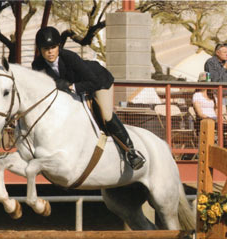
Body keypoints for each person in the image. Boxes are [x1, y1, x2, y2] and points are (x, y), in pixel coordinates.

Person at [31, 26, 145, 170]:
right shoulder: (37, 65)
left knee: (106, 115)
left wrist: (72, 87)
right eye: (45, 48)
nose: (50, 51)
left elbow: (93, 82)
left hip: (98, 81)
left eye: (53, 47)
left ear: (58, 46)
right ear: (40, 50)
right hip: (71, 91)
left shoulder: (69, 57)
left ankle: (131, 152)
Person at [193, 72, 227, 146]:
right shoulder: (196, 95)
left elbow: (217, 110)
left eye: (207, 82)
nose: (205, 84)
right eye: (203, 82)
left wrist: (221, 118)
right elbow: (200, 114)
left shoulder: (212, 95)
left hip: (216, 121)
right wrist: (213, 119)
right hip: (205, 121)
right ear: (199, 82)